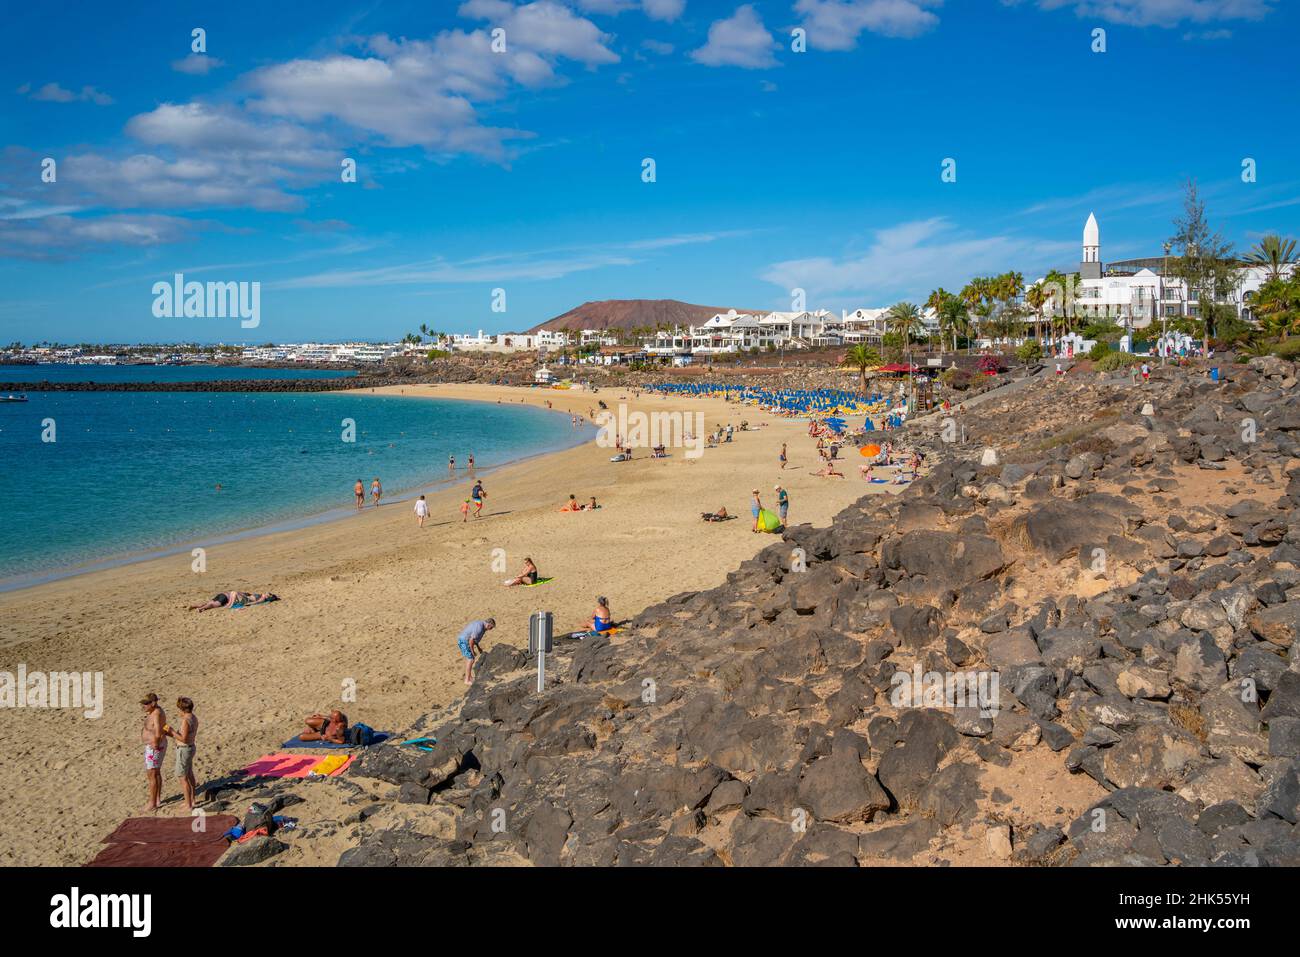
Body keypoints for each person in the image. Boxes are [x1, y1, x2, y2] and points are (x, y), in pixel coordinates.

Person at [165, 697, 199, 811]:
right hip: (190, 747)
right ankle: (192, 799)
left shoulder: (185, 721)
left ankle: (188, 804)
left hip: (184, 749)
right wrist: (172, 734)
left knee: (182, 777)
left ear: (182, 709)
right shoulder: (193, 717)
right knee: (189, 774)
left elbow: (183, 739)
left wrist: (172, 732)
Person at [140, 693, 167, 813]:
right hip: (154, 746)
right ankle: (157, 799)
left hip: (154, 747)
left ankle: (152, 803)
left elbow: (157, 731)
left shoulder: (156, 713)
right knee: (155, 772)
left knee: (152, 774)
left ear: (153, 703)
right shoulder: (154, 711)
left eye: (146, 703)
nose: (143, 705)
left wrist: (155, 744)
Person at [458, 618, 495, 684]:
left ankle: (469, 677)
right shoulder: (480, 628)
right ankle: (467, 680)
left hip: (465, 640)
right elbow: (471, 640)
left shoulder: (481, 625)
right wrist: (472, 651)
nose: (490, 630)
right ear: (489, 625)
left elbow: (475, 639)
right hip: (464, 641)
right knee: (471, 659)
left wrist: (478, 648)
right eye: (491, 628)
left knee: (471, 659)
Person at [187, 590, 278, 612]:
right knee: (213, 604)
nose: (267, 593)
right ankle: (200, 609)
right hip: (227, 597)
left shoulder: (262, 598)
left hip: (225, 594)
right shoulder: (260, 596)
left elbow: (254, 602)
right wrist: (231, 604)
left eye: (269, 594)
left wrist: (249, 603)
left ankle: (196, 606)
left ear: (269, 597)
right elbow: (250, 601)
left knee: (210, 602)